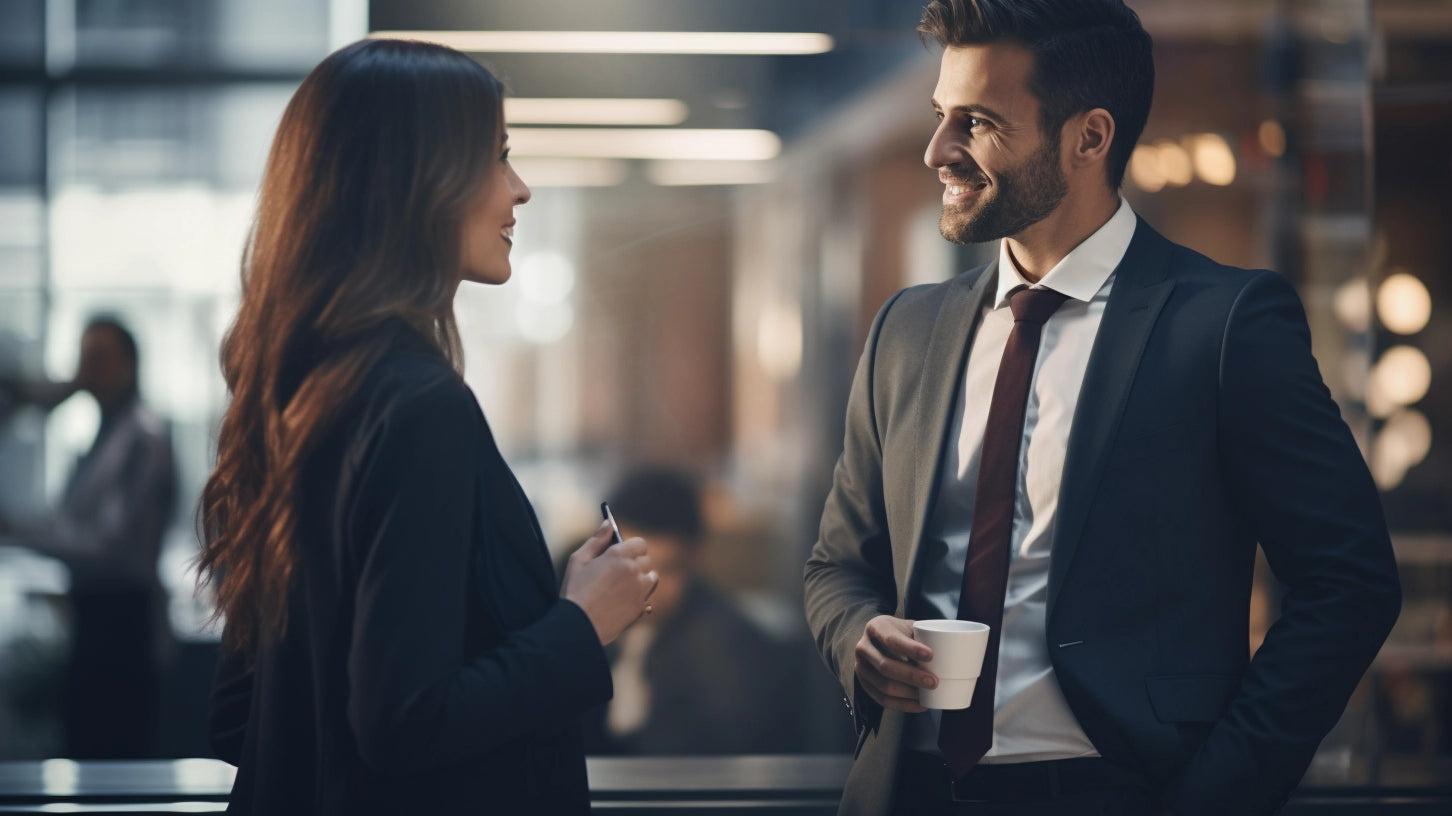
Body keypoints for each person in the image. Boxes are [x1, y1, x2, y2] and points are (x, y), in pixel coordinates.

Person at [802, 2, 1402, 815]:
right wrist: (858, 641)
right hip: (907, 795)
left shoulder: (1224, 325)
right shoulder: (907, 330)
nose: (937, 150)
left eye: (976, 122)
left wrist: (1219, 796)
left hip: (1114, 793)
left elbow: (1349, 584)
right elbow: (837, 567)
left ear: (1089, 138)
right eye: (940, 115)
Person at [197, 39, 658, 815]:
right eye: (496, 157)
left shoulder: (300, 394)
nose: (520, 189)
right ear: (414, 180)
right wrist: (582, 622)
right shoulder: (417, 407)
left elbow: (241, 713)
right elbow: (405, 722)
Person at [0, 316, 177, 758]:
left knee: (112, 756)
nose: (86, 370)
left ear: (129, 365)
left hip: (123, 622)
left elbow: (109, 545)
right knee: (89, 749)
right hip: (96, 616)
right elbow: (70, 526)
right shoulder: (104, 435)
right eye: (83, 358)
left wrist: (17, 534)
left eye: (98, 358)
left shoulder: (141, 436)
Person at [581, 467, 801, 755]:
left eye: (668, 568)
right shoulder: (582, 619)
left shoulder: (726, 653)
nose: (648, 583)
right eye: (631, 564)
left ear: (695, 558)